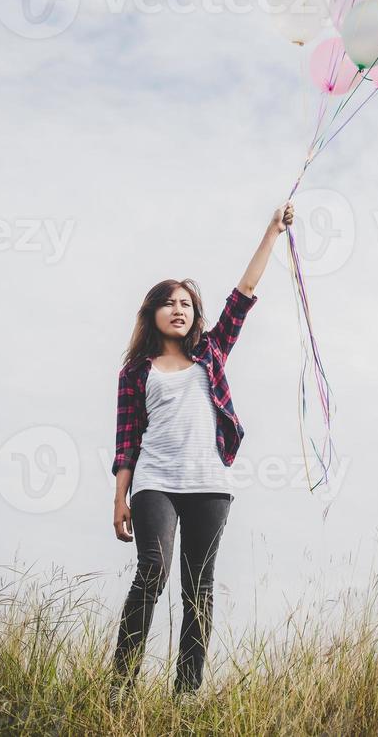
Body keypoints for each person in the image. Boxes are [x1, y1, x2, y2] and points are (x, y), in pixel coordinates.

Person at [109, 200, 295, 708]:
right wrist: (120, 498)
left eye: (186, 303)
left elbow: (244, 293)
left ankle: (185, 697)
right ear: (153, 313)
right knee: (152, 572)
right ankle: (119, 690)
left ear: (195, 315)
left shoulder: (211, 352)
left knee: (200, 588)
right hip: (155, 485)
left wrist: (271, 232)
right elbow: (127, 440)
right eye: (168, 302)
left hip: (210, 486)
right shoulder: (135, 373)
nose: (179, 308)